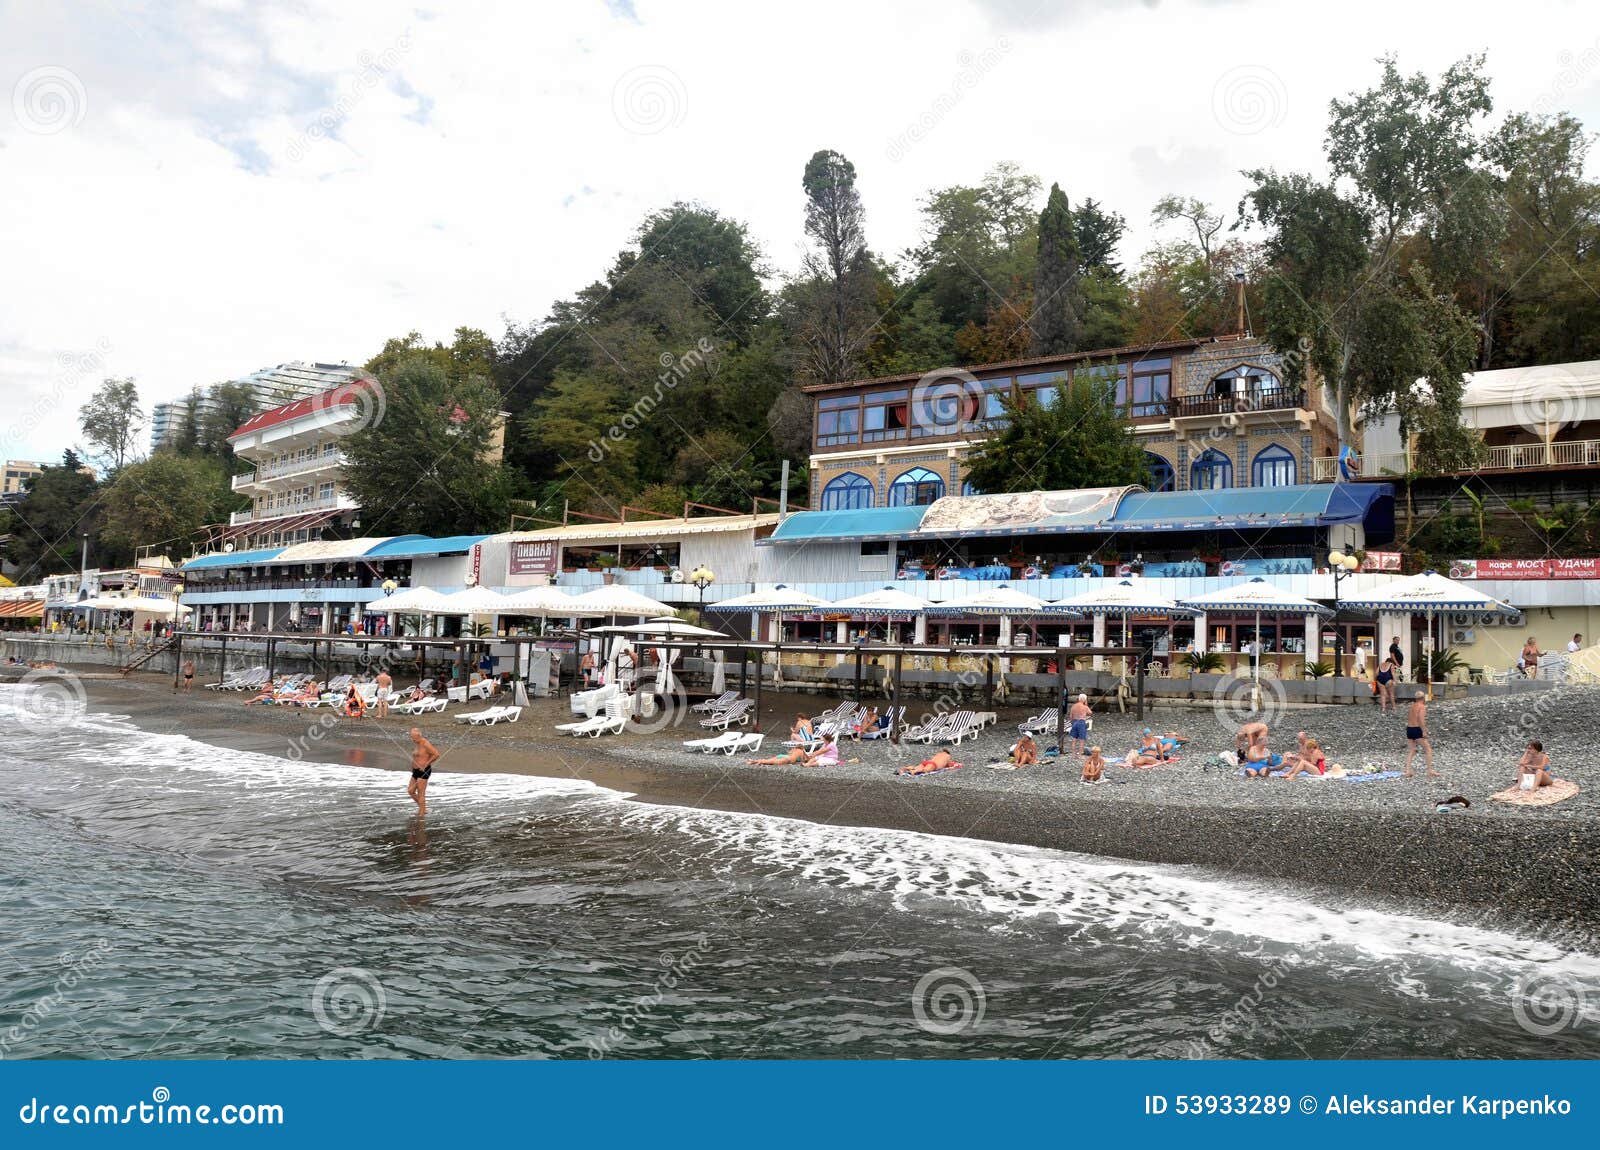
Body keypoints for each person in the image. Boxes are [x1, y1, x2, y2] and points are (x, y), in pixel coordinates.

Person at [1404, 691, 1437, 778]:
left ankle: (1408, 770)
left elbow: (1410, 717)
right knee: (1428, 749)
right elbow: (1420, 719)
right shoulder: (1422, 707)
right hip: (1417, 729)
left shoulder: (1412, 706)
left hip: (1409, 729)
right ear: (1423, 698)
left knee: (1412, 750)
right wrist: (1424, 730)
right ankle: (1430, 770)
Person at [408, 727, 440, 816]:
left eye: (414, 738)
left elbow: (436, 754)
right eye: (411, 737)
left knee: (421, 794)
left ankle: (421, 817)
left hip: (424, 771)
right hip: (415, 770)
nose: (412, 740)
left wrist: (426, 764)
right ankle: (423, 808)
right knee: (410, 791)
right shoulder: (417, 743)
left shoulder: (425, 743)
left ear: (419, 736)